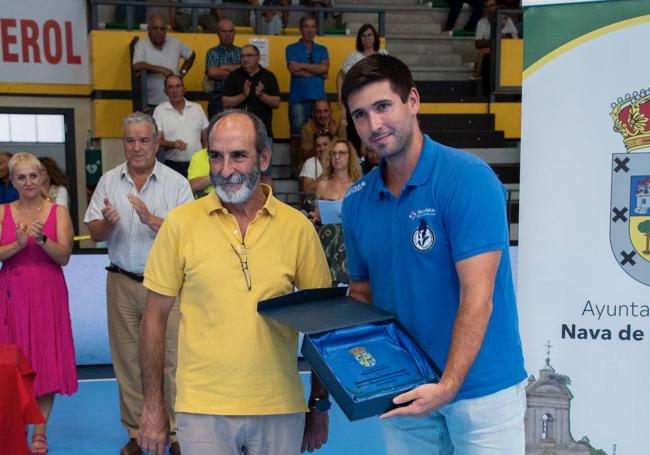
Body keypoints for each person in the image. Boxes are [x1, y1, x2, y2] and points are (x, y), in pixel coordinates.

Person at [340, 53, 526, 453]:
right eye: (360, 115)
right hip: (407, 393)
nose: (373, 125)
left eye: (383, 106)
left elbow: (478, 296)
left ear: (412, 101)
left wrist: (449, 385)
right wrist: (362, 373)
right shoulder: (356, 201)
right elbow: (361, 294)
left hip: (480, 391)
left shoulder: (468, 179)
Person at [138, 109, 331, 455]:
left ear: (265, 158)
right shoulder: (180, 225)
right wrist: (153, 406)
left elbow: (322, 323)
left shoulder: (298, 227)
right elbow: (153, 320)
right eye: (216, 156)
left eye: (239, 156)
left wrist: (319, 403)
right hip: (201, 409)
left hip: (280, 406)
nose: (225, 170)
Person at [84, 112, 193, 455]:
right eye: (130, 140)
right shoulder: (108, 181)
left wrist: (149, 219)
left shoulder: (177, 184)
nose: (136, 147)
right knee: (128, 361)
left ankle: (175, 434)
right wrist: (107, 224)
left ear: (157, 143)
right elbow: (94, 233)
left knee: (172, 361)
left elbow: (188, 237)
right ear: (123, 143)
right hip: (121, 282)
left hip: (166, 287)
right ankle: (135, 433)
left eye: (144, 140)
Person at [0, 153, 77, 455]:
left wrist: (43, 240)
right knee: (12, 364)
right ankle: (16, 426)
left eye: (34, 176)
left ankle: (40, 431)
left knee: (45, 360)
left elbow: (65, 257)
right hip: (12, 293)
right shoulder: (2, 212)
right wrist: (17, 245)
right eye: (22, 177)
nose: (29, 182)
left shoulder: (58, 212)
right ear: (13, 181)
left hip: (47, 291)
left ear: (43, 177)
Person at [223, 43, 280, 185]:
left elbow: (277, 102)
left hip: (263, 133)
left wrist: (261, 95)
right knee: (239, 170)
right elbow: (225, 102)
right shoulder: (233, 76)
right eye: (242, 56)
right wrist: (243, 96)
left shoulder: (269, 76)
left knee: (265, 172)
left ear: (258, 57)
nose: (245, 59)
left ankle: (268, 205)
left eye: (249, 55)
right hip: (238, 134)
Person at [310, 140, 361, 284]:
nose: (337, 157)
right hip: (327, 235)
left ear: (350, 156)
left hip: (350, 235)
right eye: (334, 153)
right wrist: (315, 217)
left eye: (342, 153)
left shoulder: (358, 184)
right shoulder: (323, 184)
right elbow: (317, 213)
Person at [286, 15, 330, 176]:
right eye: (306, 26)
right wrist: (316, 69)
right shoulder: (291, 48)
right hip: (298, 99)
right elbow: (293, 70)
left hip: (318, 99)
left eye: (312, 26)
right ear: (300, 29)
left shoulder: (322, 49)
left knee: (320, 136)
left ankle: (318, 170)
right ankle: (295, 171)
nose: (309, 30)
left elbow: (324, 69)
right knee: (297, 137)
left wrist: (302, 67)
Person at [133, 15, 196, 107]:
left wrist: (181, 74)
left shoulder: (175, 43)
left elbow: (191, 55)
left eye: (162, 29)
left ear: (166, 30)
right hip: (151, 102)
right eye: (155, 28)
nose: (159, 32)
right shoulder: (141, 44)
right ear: (149, 29)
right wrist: (160, 69)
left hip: (174, 101)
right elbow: (137, 65)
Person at [153, 74, 209, 177]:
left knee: (198, 193)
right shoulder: (159, 111)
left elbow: (206, 138)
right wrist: (172, 144)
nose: (175, 90)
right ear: (165, 92)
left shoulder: (197, 108)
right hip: (173, 165)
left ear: (184, 89)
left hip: (198, 164)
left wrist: (207, 160)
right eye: (171, 87)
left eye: (178, 86)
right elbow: (155, 140)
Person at [474, 0, 518, 94]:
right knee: (485, 55)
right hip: (491, 51)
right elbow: (478, 44)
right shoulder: (481, 22)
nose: (489, 8)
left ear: (497, 6)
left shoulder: (507, 19)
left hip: (507, 51)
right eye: (487, 6)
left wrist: (502, 37)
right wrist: (496, 38)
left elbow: (515, 40)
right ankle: (487, 92)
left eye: (491, 5)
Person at [205, 19, 241, 119]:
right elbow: (212, 73)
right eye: (224, 31)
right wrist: (238, 72)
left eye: (230, 31)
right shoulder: (212, 52)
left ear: (234, 33)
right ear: (218, 33)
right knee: (216, 131)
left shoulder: (242, 52)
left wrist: (224, 67)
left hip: (239, 98)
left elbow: (246, 70)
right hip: (218, 99)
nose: (227, 34)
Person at [299, 99, 346, 164]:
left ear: (331, 112)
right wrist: (328, 134)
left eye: (326, 111)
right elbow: (306, 156)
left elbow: (344, 152)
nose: (322, 115)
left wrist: (330, 137)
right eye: (318, 112)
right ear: (313, 114)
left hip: (334, 163)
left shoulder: (339, 126)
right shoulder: (306, 129)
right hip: (314, 164)